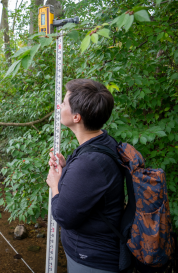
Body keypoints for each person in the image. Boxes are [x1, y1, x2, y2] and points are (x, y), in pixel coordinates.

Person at [46, 79, 124, 273]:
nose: (59, 106)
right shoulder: (102, 141)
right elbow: (89, 186)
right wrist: (67, 170)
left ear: (77, 117)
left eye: (64, 103)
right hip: (95, 252)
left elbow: (63, 216)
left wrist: (55, 185)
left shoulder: (90, 162)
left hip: (92, 260)